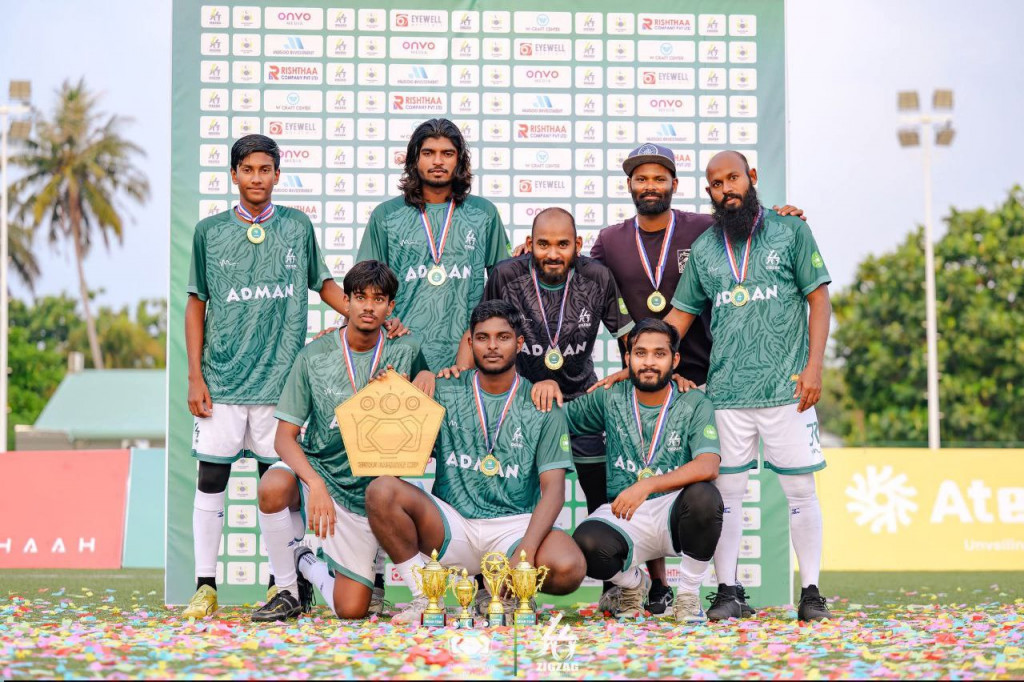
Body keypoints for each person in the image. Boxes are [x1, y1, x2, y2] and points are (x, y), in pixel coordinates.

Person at [603, 151, 833, 621]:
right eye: (716, 183)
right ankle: (728, 590)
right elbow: (679, 318)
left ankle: (811, 592)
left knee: (800, 493)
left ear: (752, 177)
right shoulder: (706, 247)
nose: (726, 189)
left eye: (733, 178)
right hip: (725, 393)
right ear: (708, 191)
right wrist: (640, 360)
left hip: (788, 388)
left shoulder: (791, 231)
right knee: (727, 497)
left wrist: (814, 367)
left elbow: (819, 298)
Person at [183, 134, 350, 619]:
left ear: (278, 174)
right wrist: (195, 376)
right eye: (247, 169)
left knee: (275, 485)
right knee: (211, 478)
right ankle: (205, 586)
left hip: (280, 384)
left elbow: (323, 284)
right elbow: (196, 303)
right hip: (222, 380)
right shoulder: (209, 232)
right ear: (233, 175)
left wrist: (364, 313)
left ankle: (285, 587)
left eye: (265, 169)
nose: (256, 178)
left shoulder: (297, 226)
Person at [364, 301, 587, 623]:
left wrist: (523, 554)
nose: (492, 346)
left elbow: (553, 491)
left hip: (513, 527)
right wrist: (387, 394)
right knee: (381, 490)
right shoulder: (444, 390)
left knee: (569, 567)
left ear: (519, 343)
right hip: (452, 525)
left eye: (503, 337)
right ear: (470, 343)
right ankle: (424, 597)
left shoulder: (541, 403)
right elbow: (392, 451)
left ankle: (504, 591)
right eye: (483, 338)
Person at [250, 261, 435, 621]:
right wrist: (315, 483)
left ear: (391, 307)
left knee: (351, 610)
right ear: (345, 302)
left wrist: (426, 374)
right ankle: (287, 591)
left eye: (379, 299)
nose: (369, 306)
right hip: (320, 471)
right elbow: (284, 438)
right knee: (272, 486)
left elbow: (420, 401)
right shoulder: (314, 355)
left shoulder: (407, 349)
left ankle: (305, 561)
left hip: (369, 490)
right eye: (360, 297)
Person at [568, 319, 723, 623]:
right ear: (628, 358)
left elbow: (708, 464)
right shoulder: (610, 396)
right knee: (585, 545)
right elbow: (560, 419)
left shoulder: (693, 401)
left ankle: (688, 596)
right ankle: (634, 585)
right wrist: (541, 390)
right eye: (641, 353)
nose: (649, 362)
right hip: (626, 514)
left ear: (674, 360)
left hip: (673, 510)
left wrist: (647, 485)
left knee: (705, 497)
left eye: (659, 354)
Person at [357, 118, 511, 373]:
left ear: (459, 160)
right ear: (414, 159)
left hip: (468, 360)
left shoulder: (484, 213)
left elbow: (504, 284)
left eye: (447, 153)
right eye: (428, 153)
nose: (438, 161)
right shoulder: (386, 215)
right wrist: (385, 322)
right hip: (400, 354)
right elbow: (364, 288)